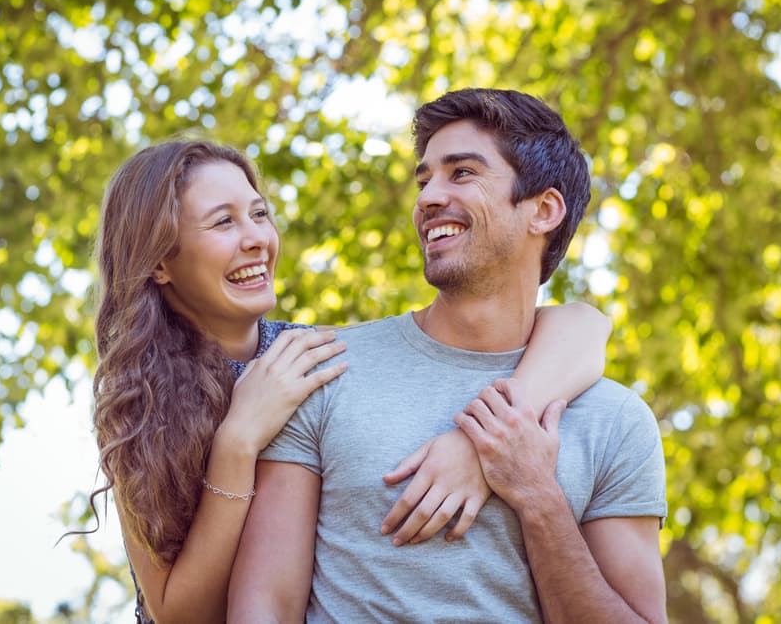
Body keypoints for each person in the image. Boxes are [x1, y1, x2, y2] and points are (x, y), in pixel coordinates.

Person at [83, 139, 613, 623]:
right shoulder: (137, 404)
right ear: (160, 263)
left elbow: (586, 327)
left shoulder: (310, 355)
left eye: (260, 214)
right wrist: (237, 441)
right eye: (223, 223)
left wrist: (480, 446)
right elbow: (180, 615)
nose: (256, 239)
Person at [229, 89, 668, 623]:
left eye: (462, 173)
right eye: (424, 181)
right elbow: (264, 607)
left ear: (543, 210)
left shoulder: (616, 422)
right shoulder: (324, 369)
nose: (428, 198)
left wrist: (537, 495)